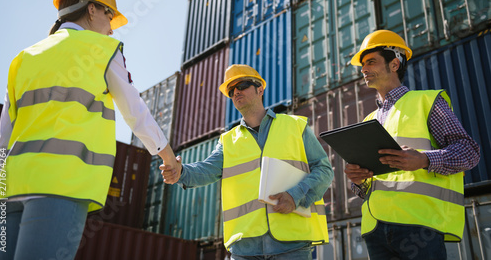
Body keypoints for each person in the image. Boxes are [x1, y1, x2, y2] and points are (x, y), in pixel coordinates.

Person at [0, 0, 178, 260]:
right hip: (59, 187)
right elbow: (134, 111)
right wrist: (167, 157)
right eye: (109, 15)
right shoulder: (101, 51)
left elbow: (3, 138)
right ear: (91, 9)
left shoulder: (24, 58)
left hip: (9, 195)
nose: (111, 30)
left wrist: (2, 192)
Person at [160, 64, 333, 259]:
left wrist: (295, 196)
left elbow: (324, 170)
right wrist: (180, 171)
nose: (236, 92)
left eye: (241, 85)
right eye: (231, 90)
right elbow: (205, 170)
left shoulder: (295, 126)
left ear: (260, 89)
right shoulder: (228, 141)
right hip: (245, 249)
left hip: (293, 245)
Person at [344, 30, 480, 260]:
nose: (364, 69)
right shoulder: (369, 120)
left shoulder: (426, 102)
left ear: (394, 64)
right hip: (375, 229)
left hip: (419, 226)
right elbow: (370, 185)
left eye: (371, 62)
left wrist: (425, 159)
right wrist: (358, 181)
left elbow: (469, 151)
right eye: (362, 65)